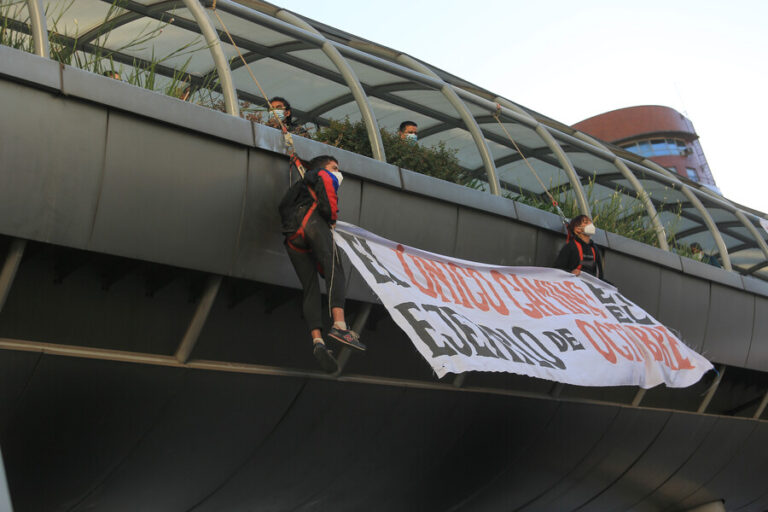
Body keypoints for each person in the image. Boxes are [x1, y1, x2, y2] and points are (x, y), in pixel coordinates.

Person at [278, 155, 366, 372]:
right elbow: (328, 195)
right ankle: (339, 325)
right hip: (312, 222)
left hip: (292, 237)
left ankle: (318, 341)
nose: (338, 172)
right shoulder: (323, 174)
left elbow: (282, 206)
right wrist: (332, 219)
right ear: (324, 168)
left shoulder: (300, 185)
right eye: (335, 167)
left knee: (310, 289)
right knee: (335, 268)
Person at [553, 215, 604, 280]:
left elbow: (600, 275)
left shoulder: (594, 248)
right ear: (577, 229)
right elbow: (557, 270)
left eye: (590, 222)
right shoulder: (570, 247)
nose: (590, 224)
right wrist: (571, 273)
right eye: (586, 222)